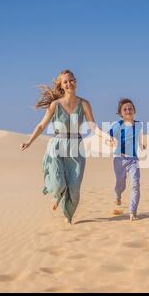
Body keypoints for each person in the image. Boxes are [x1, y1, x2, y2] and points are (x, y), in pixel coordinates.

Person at [20, 69, 106, 224]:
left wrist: (106, 137)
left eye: (71, 80)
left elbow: (93, 127)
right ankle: (56, 195)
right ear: (61, 85)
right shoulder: (55, 105)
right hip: (57, 145)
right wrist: (29, 141)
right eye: (65, 82)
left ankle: (68, 214)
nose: (69, 83)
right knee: (59, 182)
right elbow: (41, 126)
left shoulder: (84, 104)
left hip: (76, 148)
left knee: (74, 188)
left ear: (76, 82)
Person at [107, 98, 146, 221]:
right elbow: (108, 136)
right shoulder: (118, 125)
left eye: (130, 108)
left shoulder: (139, 125)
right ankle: (118, 194)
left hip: (133, 160)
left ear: (134, 110)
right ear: (120, 113)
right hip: (119, 159)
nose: (128, 110)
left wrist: (141, 145)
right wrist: (110, 141)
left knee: (135, 185)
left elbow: (137, 137)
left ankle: (132, 212)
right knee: (121, 184)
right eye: (125, 109)